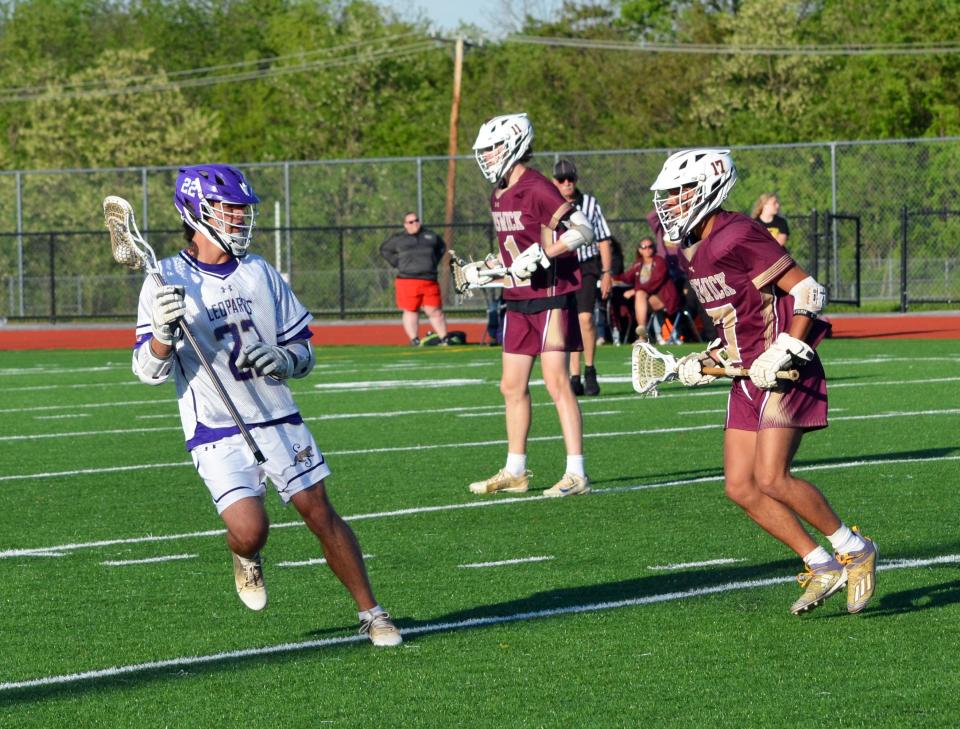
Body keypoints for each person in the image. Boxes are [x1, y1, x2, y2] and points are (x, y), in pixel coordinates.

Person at [132, 164, 402, 646]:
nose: (239, 218)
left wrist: (283, 357)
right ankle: (244, 554)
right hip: (216, 426)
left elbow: (305, 351)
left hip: (276, 416)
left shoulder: (260, 271)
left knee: (320, 513)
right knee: (250, 530)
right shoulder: (164, 278)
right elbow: (148, 372)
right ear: (197, 212)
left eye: (241, 209)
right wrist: (160, 335)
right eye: (229, 209)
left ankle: (373, 612)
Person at [650, 149, 877, 616]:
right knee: (740, 485)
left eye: (678, 194)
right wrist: (701, 361)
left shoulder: (737, 232)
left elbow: (808, 291)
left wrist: (786, 349)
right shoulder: (692, 249)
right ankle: (821, 563)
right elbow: (739, 323)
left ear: (707, 189)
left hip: (786, 368)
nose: (670, 204)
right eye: (667, 196)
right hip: (748, 375)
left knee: (772, 477)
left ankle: (854, 548)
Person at [463, 112, 595, 498]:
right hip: (518, 297)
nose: (486, 157)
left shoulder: (538, 187)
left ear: (515, 145)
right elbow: (513, 253)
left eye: (492, 149)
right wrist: (485, 272)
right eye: (483, 151)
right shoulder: (499, 191)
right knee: (511, 386)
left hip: (551, 296)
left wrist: (545, 253)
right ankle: (515, 470)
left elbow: (583, 229)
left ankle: (576, 472)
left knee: (557, 382)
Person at [552, 159, 613, 396]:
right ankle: (574, 375)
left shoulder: (589, 203)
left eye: (571, 179)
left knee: (586, 318)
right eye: (562, 180)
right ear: (554, 183)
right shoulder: (551, 204)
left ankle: (589, 369)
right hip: (561, 266)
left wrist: (607, 273)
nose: (567, 183)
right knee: (567, 323)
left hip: (586, 264)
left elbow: (604, 239)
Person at [380, 212, 449, 346]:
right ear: (405, 225)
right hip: (407, 280)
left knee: (434, 310)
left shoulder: (430, 236)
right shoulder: (399, 239)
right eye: (410, 222)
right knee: (411, 310)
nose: (414, 224)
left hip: (429, 279)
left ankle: (444, 338)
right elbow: (385, 250)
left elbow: (441, 247)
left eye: (416, 220)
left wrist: (433, 262)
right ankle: (414, 339)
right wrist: (398, 263)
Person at [615, 236, 680, 344]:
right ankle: (642, 333)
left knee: (639, 295)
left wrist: (635, 291)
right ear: (639, 250)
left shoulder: (659, 262)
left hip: (664, 298)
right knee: (637, 298)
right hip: (646, 300)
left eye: (650, 246)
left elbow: (654, 283)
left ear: (654, 248)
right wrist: (611, 278)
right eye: (644, 247)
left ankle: (642, 336)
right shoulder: (638, 263)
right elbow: (626, 277)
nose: (647, 249)